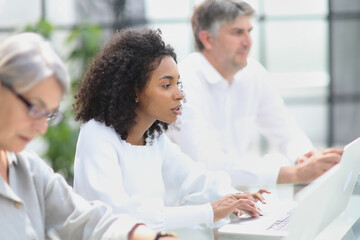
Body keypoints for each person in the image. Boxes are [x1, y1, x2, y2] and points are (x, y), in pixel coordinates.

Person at [73, 28, 269, 239]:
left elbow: (195, 178)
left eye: (178, 83)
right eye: (166, 85)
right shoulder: (97, 135)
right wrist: (210, 211)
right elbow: (119, 215)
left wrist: (235, 197)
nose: (180, 94)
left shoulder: (153, 138)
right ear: (134, 90)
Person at [0, 32, 178, 240]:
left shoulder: (29, 171)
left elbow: (86, 220)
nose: (41, 128)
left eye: (48, 114)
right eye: (34, 108)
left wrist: (156, 238)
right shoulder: (98, 134)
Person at [166, 0, 343, 186]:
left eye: (249, 31)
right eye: (237, 32)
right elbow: (204, 163)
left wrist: (306, 156)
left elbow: (285, 131)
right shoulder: (182, 83)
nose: (248, 42)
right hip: (188, 204)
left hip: (235, 199)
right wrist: (294, 173)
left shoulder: (253, 73)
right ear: (207, 39)